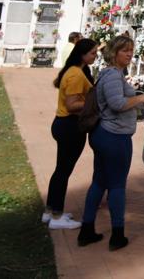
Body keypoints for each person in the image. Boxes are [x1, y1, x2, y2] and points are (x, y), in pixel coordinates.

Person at [77, 35, 144, 251]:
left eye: (131, 50)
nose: (129, 54)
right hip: (113, 137)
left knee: (99, 182)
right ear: (114, 53)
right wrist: (141, 98)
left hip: (106, 135)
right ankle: (117, 236)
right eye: (124, 50)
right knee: (116, 185)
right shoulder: (111, 76)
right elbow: (117, 103)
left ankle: (86, 230)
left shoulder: (115, 74)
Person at [43, 38, 98, 230]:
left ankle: (50, 210)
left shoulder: (74, 71)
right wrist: (96, 102)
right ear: (82, 54)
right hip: (70, 126)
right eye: (92, 53)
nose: (95, 56)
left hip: (63, 125)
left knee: (60, 170)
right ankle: (57, 217)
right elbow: (72, 105)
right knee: (64, 171)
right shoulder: (75, 75)